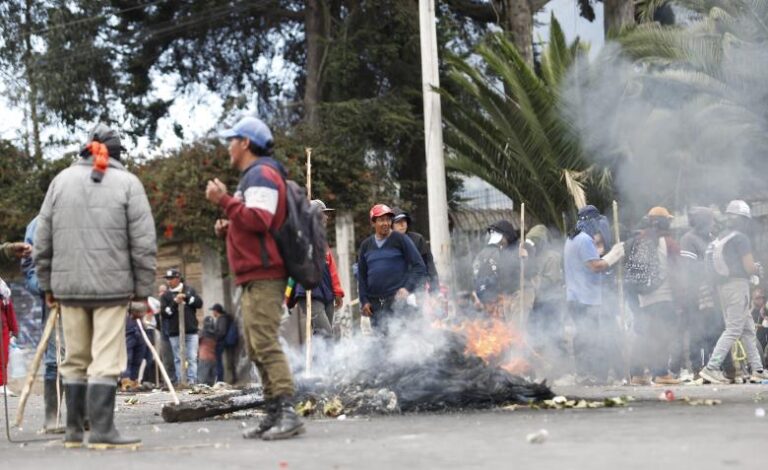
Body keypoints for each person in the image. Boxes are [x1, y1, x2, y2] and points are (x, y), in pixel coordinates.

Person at [34, 123, 157, 449]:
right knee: (105, 358)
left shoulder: (60, 182)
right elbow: (143, 244)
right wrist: (143, 292)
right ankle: (102, 430)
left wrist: (47, 284)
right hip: (111, 290)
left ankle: (74, 432)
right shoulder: (128, 184)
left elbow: (41, 239)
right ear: (118, 154)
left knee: (74, 357)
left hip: (69, 288)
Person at [205, 116, 304, 440]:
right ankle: (273, 412)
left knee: (265, 343)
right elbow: (250, 223)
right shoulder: (252, 177)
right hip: (253, 274)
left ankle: (288, 413)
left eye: (232, 140)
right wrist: (230, 227)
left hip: (265, 275)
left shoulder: (261, 174)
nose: (229, 147)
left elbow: (260, 219)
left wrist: (224, 201)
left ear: (245, 143)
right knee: (256, 346)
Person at [699, 200, 768, 384]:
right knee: (734, 329)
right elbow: (749, 266)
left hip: (723, 288)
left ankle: (758, 369)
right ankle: (711, 367)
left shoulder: (720, 238)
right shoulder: (740, 238)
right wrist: (757, 269)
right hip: (738, 286)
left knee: (747, 330)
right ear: (743, 220)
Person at [563, 205, 625, 383]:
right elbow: (595, 266)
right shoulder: (584, 240)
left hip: (576, 297)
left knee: (583, 337)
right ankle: (592, 375)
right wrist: (613, 256)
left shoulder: (572, 238)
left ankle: (585, 375)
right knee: (591, 338)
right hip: (585, 299)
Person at [625, 207, 682, 385]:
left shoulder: (638, 240)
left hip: (643, 296)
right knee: (662, 335)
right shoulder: (669, 242)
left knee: (645, 335)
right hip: (664, 296)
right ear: (663, 222)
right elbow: (676, 273)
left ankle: (636, 374)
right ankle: (661, 373)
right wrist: (680, 298)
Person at [21, 216, 64, 431]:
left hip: (88, 298)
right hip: (55, 303)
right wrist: (46, 287)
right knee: (54, 360)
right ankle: (52, 417)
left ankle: (84, 414)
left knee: (88, 359)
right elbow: (29, 269)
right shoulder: (38, 224)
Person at [357, 204, 427, 332]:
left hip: (397, 302)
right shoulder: (366, 245)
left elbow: (419, 266)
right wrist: (364, 300)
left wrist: (407, 288)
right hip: (375, 305)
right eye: (381, 220)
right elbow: (362, 276)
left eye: (388, 219)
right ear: (373, 223)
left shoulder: (401, 240)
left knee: (399, 343)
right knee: (380, 344)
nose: (386, 223)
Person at [287, 199, 345, 347]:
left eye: (326, 215)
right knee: (326, 334)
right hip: (309, 293)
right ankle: (322, 366)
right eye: (323, 214)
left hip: (327, 292)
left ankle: (322, 368)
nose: (326, 218)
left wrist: (337, 292)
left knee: (323, 335)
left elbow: (331, 269)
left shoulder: (322, 242)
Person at [679, 207, 726, 378]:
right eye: (711, 220)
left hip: (713, 292)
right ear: (703, 222)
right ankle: (698, 369)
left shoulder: (711, 239)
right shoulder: (688, 239)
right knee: (697, 332)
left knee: (715, 330)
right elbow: (689, 268)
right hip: (696, 292)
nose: (713, 224)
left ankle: (713, 367)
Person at [526, 224, 564, 364]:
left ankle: (558, 365)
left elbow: (550, 281)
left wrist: (533, 280)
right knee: (537, 335)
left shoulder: (552, 257)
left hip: (551, 302)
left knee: (554, 334)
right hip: (536, 302)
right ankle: (541, 364)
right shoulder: (531, 256)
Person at [159, 268, 203, 385]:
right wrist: (174, 302)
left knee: (192, 357)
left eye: (171, 278)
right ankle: (181, 381)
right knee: (178, 359)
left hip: (191, 330)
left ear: (178, 279)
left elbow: (199, 303)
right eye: (167, 279)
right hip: (174, 332)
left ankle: (192, 381)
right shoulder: (166, 296)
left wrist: (187, 298)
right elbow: (164, 313)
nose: (169, 281)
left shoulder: (189, 290)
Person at [471, 220, 522, 319]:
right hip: (492, 299)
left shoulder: (516, 251)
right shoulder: (490, 252)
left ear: (506, 236)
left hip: (510, 299)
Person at [392, 208, 439, 289]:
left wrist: (435, 291)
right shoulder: (386, 243)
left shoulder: (418, 239)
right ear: (391, 225)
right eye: (398, 222)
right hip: (394, 291)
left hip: (417, 289)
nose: (402, 224)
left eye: (404, 221)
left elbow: (429, 266)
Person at [0, 281, 19, 397]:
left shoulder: (3, 291)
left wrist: (14, 330)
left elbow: (9, 311)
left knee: (3, 358)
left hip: (2, 329)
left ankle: (1, 385)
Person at [210, 303, 235, 383]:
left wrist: (215, 339)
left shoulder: (222, 319)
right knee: (226, 361)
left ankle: (220, 380)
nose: (213, 313)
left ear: (216, 311)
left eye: (213, 311)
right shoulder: (223, 318)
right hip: (225, 341)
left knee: (218, 362)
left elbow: (222, 332)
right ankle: (225, 379)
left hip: (221, 342)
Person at [197, 316, 218, 385]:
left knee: (202, 383)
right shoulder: (215, 334)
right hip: (213, 359)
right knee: (211, 383)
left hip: (204, 358)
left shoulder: (202, 333)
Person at [751, 288, 768, 357]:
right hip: (754, 339)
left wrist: (764, 316)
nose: (760, 300)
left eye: (762, 298)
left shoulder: (765, 308)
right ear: (753, 299)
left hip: (764, 336)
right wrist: (752, 308)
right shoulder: (750, 310)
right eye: (757, 298)